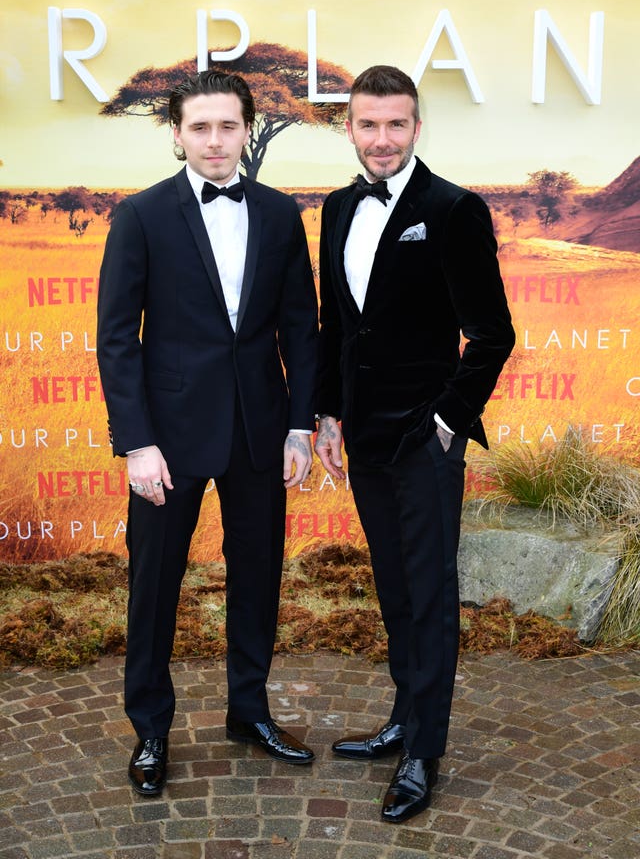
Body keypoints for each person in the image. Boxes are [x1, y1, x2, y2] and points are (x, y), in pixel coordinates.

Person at [97, 70, 319, 796]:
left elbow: (299, 329)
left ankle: (248, 712)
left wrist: (297, 425)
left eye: (228, 126)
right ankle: (151, 731)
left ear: (247, 129)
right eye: (201, 127)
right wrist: (136, 441)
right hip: (166, 438)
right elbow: (116, 339)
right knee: (154, 587)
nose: (215, 140)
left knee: (257, 578)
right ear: (176, 134)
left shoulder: (283, 215)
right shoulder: (140, 216)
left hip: (260, 431)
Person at [314, 65, 515, 824]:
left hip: (424, 443)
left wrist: (446, 423)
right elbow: (339, 325)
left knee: (429, 599)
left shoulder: (453, 209)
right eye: (369, 124)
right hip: (362, 436)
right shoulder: (336, 209)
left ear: (417, 127)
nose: (382, 138)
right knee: (395, 590)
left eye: (397, 124)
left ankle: (424, 753)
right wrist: (329, 415)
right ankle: (403, 717)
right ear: (351, 128)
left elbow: (493, 334)